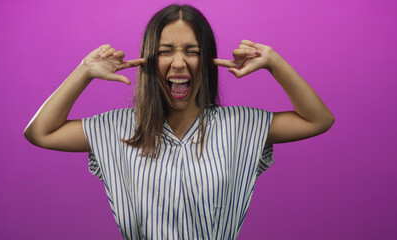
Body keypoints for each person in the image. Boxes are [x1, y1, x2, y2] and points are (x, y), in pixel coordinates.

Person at [24, 4, 334, 240]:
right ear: (148, 59)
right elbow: (41, 132)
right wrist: (85, 70)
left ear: (206, 60)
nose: (178, 62)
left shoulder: (240, 126)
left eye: (192, 51)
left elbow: (317, 119)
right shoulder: (117, 128)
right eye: (165, 51)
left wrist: (274, 62)